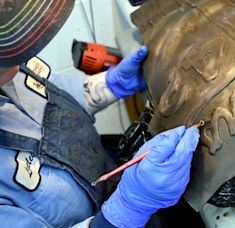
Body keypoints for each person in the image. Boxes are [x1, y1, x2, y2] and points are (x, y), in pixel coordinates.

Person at [0, 1, 200, 227]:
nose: (17, 67)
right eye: (3, 65)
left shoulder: (10, 61)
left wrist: (106, 87)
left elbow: (45, 89)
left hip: (108, 164)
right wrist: (128, 208)